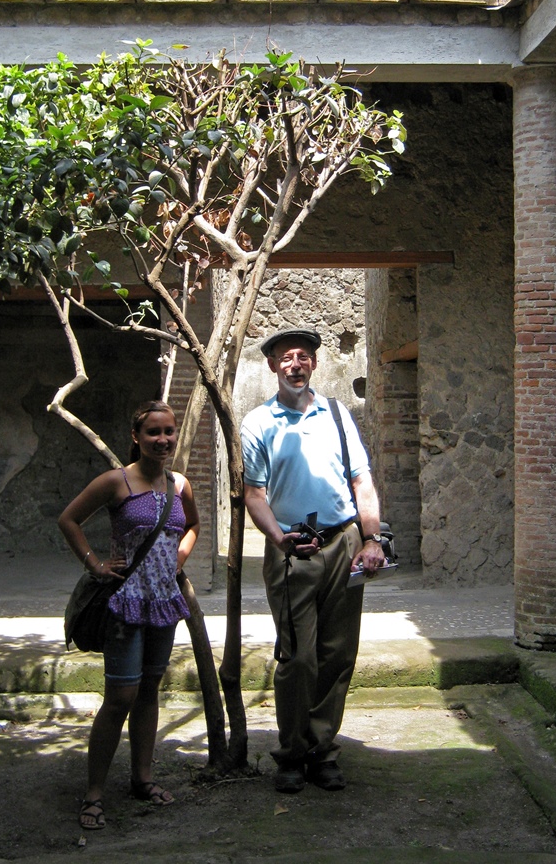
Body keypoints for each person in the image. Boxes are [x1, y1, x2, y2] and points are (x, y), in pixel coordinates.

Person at [240, 327, 385, 794]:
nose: (295, 364)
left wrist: (372, 539)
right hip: (292, 548)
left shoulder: (339, 415)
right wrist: (279, 538)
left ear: (315, 364)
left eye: (303, 357)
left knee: (337, 654)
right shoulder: (258, 423)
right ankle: (291, 752)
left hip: (343, 543)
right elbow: (254, 494)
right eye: (286, 358)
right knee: (297, 658)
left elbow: (361, 483)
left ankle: (323, 750)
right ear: (273, 367)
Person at [58, 400, 199, 831]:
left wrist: (179, 557)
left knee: (150, 691)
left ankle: (143, 778)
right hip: (126, 601)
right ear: (136, 438)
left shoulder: (179, 485)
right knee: (120, 697)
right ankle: (94, 793)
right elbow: (69, 519)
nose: (163, 440)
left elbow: (192, 525)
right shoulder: (117, 482)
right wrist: (95, 564)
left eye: (169, 432)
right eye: (153, 432)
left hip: (163, 603)